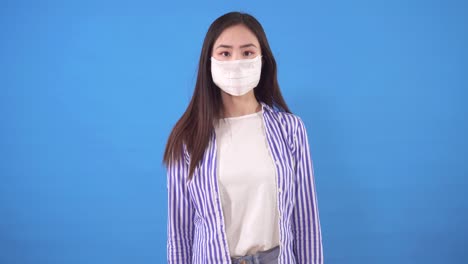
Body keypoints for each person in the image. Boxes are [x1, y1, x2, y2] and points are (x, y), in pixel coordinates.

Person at [163, 11, 323, 264]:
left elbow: (305, 223)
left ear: (262, 60)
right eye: (225, 53)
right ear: (209, 61)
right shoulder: (187, 138)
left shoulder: (291, 130)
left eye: (247, 52)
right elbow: (180, 234)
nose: (236, 61)